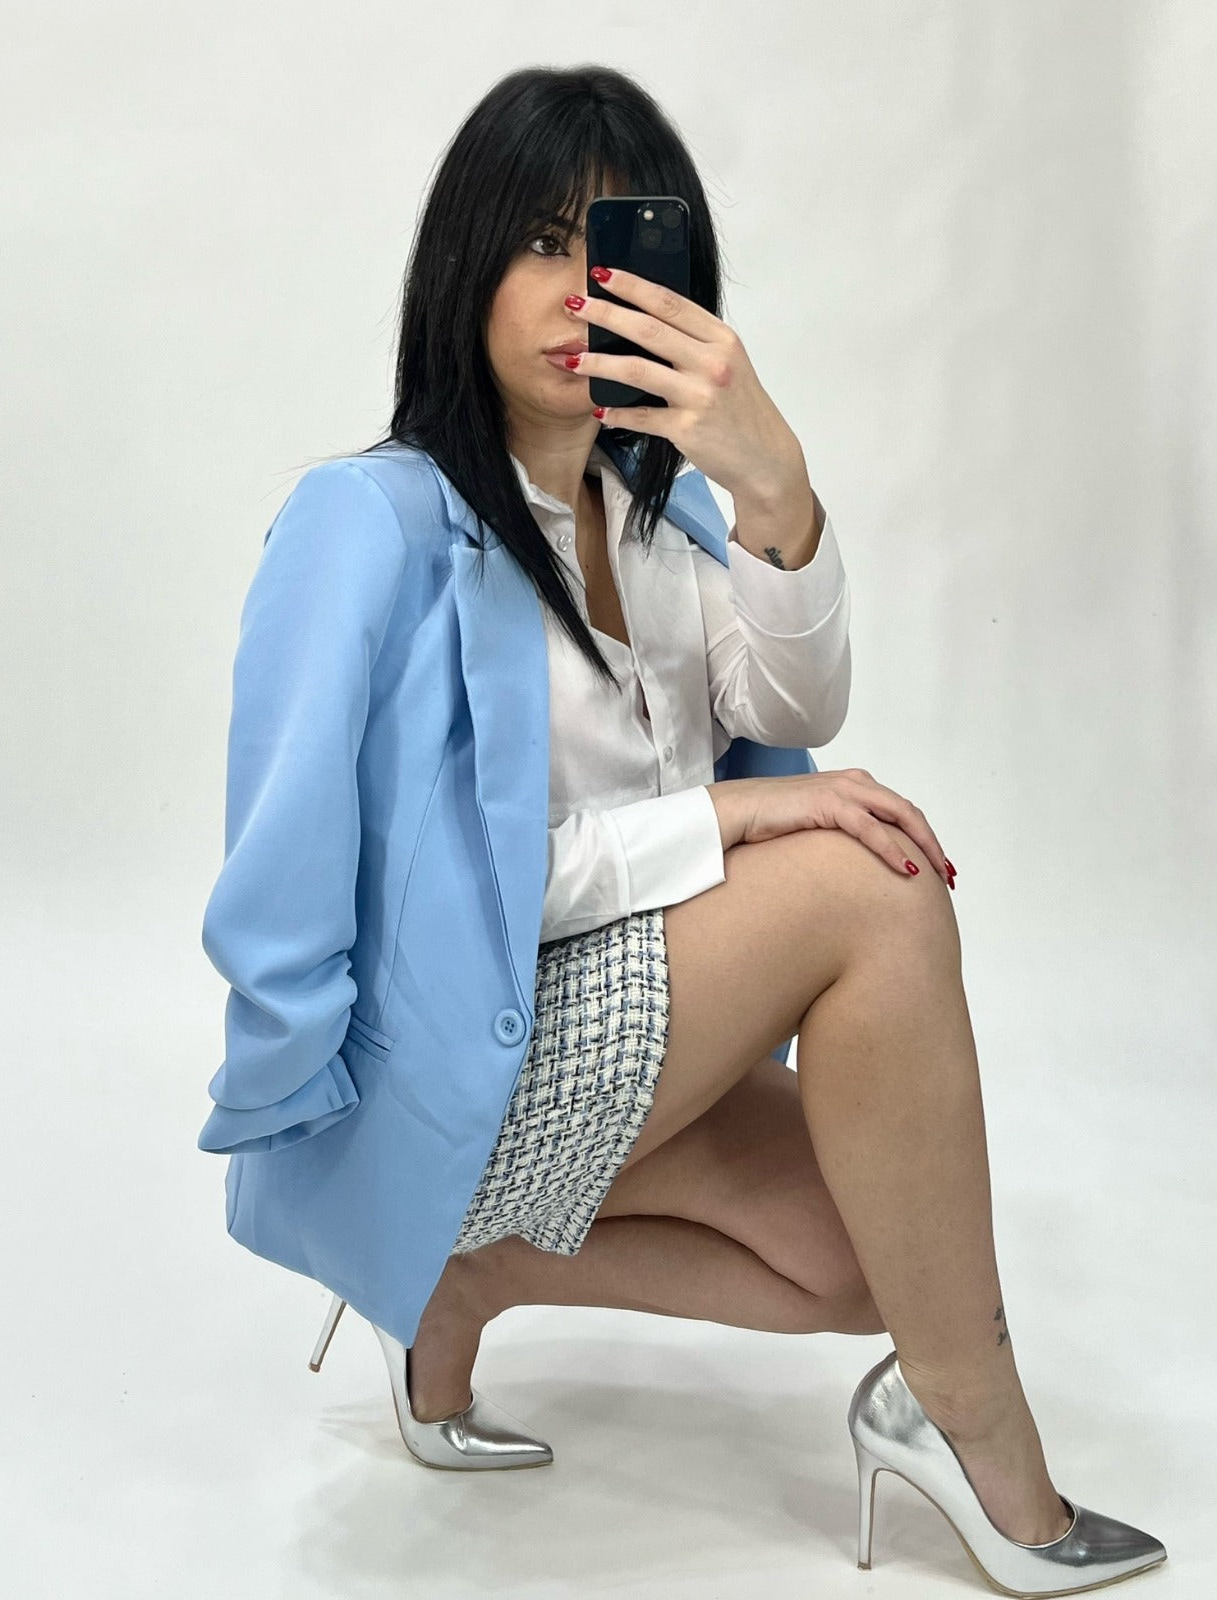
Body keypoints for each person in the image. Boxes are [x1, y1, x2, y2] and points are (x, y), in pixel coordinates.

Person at [199, 64, 1165, 1593]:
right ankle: (976, 1425)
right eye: (538, 240)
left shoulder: (666, 523)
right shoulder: (371, 523)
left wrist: (776, 485)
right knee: (866, 884)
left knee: (877, 1254)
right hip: (452, 1058)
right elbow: (425, 893)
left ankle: (461, 1281)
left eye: (612, 249)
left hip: (625, 1025)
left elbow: (799, 699)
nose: (577, 288)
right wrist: (734, 818)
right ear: (462, 264)